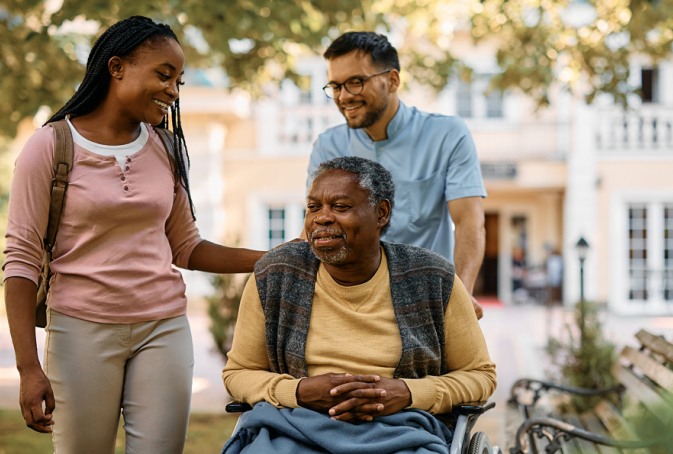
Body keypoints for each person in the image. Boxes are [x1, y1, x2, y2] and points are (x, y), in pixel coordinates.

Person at [3, 16, 267, 454]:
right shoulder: (50, 146)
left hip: (162, 327)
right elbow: (21, 261)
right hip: (80, 331)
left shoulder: (166, 147)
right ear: (116, 67)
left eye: (179, 81)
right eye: (164, 76)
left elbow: (187, 247)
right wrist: (28, 367)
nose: (174, 91)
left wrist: (274, 256)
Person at [222, 157, 496, 453]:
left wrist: (407, 392)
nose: (321, 218)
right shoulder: (275, 276)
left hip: (403, 430)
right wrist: (299, 391)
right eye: (314, 207)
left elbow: (480, 376)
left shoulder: (432, 277)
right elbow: (238, 374)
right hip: (295, 427)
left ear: (381, 213)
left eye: (340, 207)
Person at [307, 32, 487, 319]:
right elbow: (319, 229)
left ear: (392, 80)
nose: (343, 96)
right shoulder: (327, 147)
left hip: (428, 305)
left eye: (356, 82)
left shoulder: (447, 135)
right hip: (350, 307)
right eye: (335, 86)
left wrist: (461, 294)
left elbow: (469, 221)